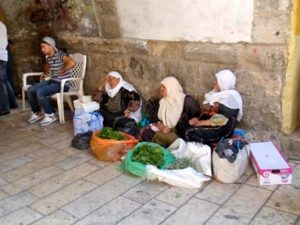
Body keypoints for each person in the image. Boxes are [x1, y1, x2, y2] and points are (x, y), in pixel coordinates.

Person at [27, 36, 75, 126]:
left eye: (43, 47)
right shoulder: (48, 57)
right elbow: (47, 66)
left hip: (63, 84)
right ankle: (36, 113)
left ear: (51, 46)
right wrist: (44, 73)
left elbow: (72, 63)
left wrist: (63, 69)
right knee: (30, 90)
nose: (42, 49)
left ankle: (50, 114)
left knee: (40, 91)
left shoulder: (60, 54)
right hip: (53, 81)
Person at [185, 69, 243, 144]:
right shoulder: (219, 94)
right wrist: (197, 119)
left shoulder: (231, 97)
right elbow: (209, 112)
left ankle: (198, 152)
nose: (214, 82)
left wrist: (200, 123)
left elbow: (221, 119)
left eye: (217, 80)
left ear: (224, 82)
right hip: (213, 123)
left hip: (222, 129)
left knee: (189, 132)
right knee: (185, 125)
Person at [141, 76, 200, 146]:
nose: (161, 89)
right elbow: (156, 118)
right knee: (147, 133)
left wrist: (171, 129)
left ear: (171, 87)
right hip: (163, 129)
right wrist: (160, 125)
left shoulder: (186, 101)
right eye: (161, 87)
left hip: (179, 132)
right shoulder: (162, 101)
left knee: (165, 138)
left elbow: (196, 117)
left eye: (164, 87)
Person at [0, 21, 10, 116]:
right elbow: (5, 41)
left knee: (0, 82)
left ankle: (4, 108)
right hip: (3, 54)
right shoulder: (2, 24)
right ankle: (13, 103)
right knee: (4, 80)